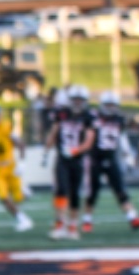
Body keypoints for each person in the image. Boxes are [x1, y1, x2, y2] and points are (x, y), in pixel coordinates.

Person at [83, 91, 139, 233]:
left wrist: (128, 155)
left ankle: (133, 218)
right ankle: (87, 220)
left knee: (120, 189)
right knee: (92, 192)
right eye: (108, 104)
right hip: (95, 159)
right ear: (102, 105)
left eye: (113, 105)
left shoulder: (119, 119)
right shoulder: (93, 117)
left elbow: (122, 138)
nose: (110, 108)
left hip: (111, 158)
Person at [44, 86, 93, 240]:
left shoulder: (88, 116)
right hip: (62, 159)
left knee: (75, 194)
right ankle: (59, 224)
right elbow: (54, 131)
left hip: (78, 160)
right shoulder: (62, 113)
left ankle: (72, 226)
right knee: (61, 190)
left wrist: (76, 150)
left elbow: (89, 140)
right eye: (75, 100)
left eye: (80, 100)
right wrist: (46, 150)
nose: (77, 103)